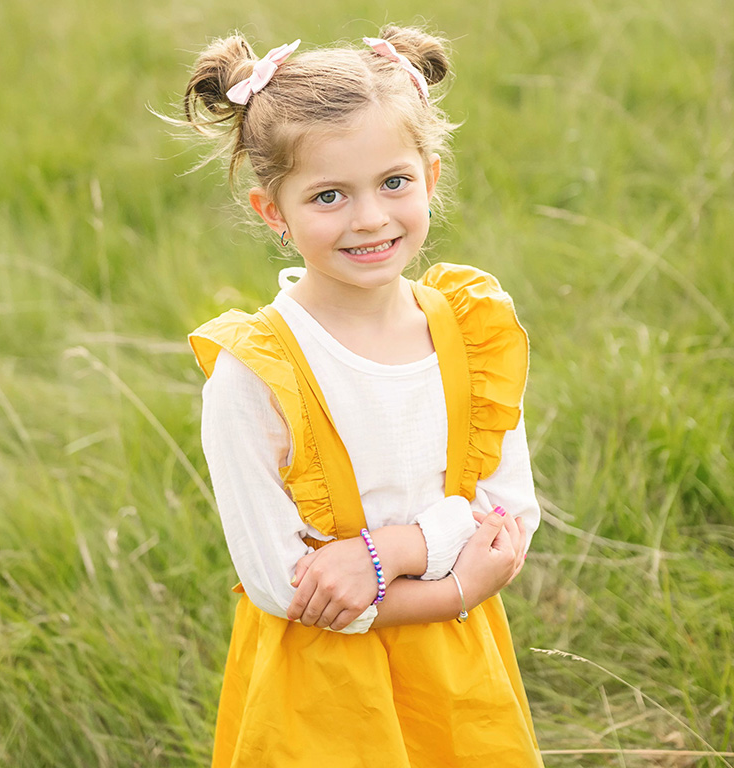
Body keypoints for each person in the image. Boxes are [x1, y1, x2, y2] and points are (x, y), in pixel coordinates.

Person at [183, 24, 544, 767]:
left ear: (431, 179)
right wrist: (449, 586)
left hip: (456, 672)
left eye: (394, 182)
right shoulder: (255, 374)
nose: (371, 218)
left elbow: (508, 517)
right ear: (273, 212)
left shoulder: (469, 330)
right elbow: (286, 589)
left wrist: (386, 553)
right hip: (319, 688)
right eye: (328, 195)